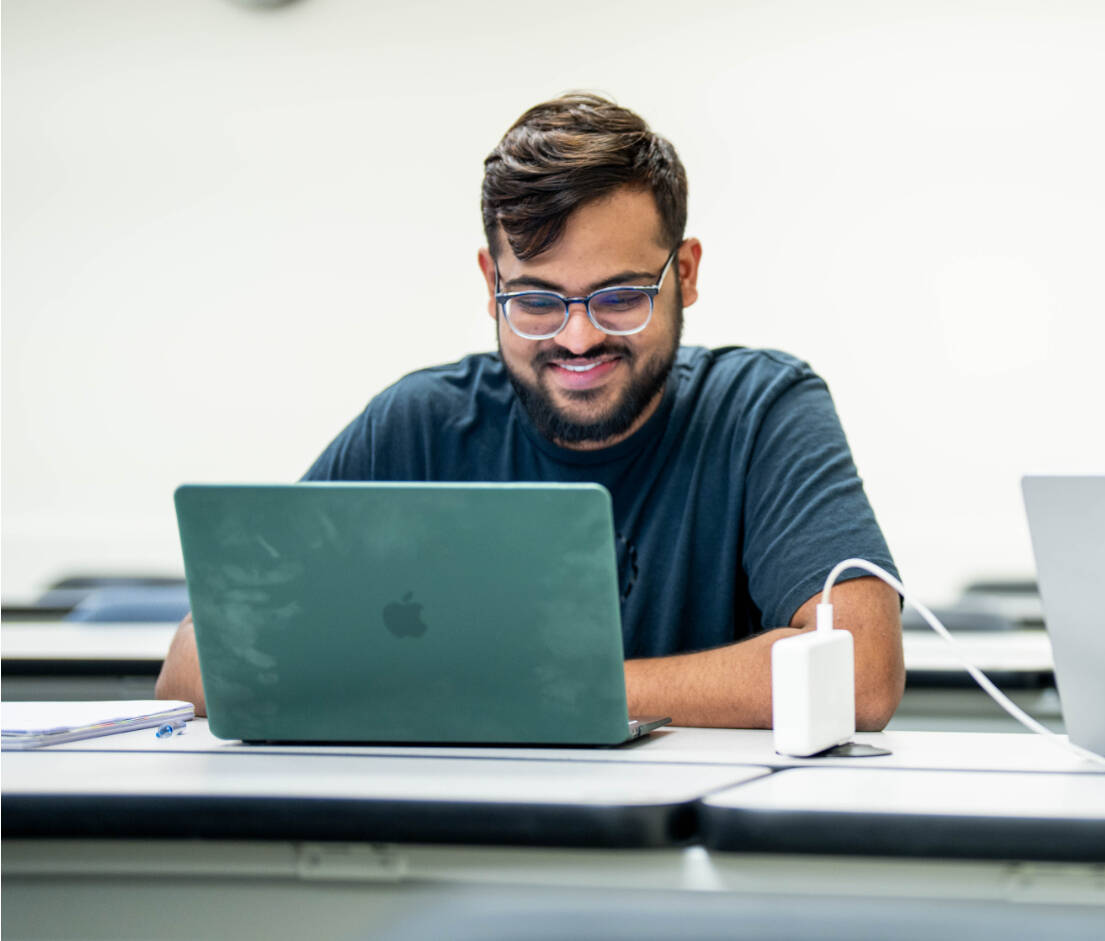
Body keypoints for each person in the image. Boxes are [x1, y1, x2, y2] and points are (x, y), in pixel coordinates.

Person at [158, 93, 904, 728]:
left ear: (685, 272)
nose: (578, 337)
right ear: (491, 284)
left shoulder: (760, 411)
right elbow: (194, 667)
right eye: (539, 301)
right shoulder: (419, 426)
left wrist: (513, 691)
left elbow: (863, 673)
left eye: (619, 296)